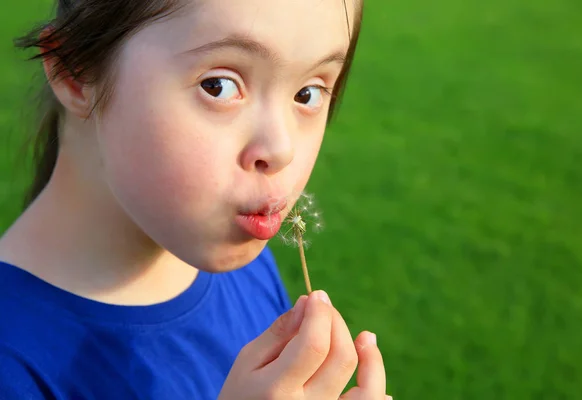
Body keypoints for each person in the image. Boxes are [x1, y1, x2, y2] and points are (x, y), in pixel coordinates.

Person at [0, 0, 390, 398]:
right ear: (75, 72)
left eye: (308, 93)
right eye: (218, 86)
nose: (281, 148)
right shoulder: (13, 366)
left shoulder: (241, 264)